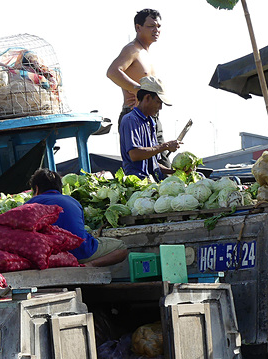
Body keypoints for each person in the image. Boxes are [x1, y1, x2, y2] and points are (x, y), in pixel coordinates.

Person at [25, 169, 128, 267]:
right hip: (81, 253)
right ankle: (90, 265)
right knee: (121, 247)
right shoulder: (72, 201)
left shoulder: (29, 205)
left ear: (37, 189)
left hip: (50, 258)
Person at [107, 8, 169, 166]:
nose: (156, 30)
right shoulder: (132, 50)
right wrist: (137, 90)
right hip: (135, 115)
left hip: (151, 117)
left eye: (159, 27)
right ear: (138, 27)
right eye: (151, 26)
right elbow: (113, 72)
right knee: (142, 166)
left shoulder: (147, 53)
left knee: (161, 164)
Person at [119, 76, 181, 180]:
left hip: (152, 182)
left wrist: (174, 171)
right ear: (147, 98)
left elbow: (154, 164)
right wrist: (165, 146)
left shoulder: (150, 122)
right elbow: (135, 154)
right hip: (138, 183)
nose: (160, 107)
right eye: (158, 102)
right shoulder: (131, 120)